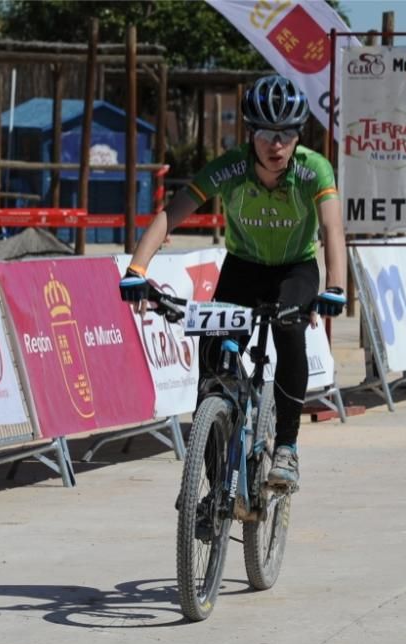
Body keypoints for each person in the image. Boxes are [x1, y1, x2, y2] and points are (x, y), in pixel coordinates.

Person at [119, 75, 346, 491]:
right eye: (264, 133)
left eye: (285, 134)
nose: (274, 145)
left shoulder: (315, 169)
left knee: (288, 330)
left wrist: (334, 286)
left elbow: (333, 229)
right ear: (249, 133)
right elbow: (173, 213)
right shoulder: (231, 168)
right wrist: (137, 270)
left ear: (298, 135)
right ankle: (211, 487)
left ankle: (287, 448)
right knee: (211, 357)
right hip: (243, 268)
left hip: (296, 268)